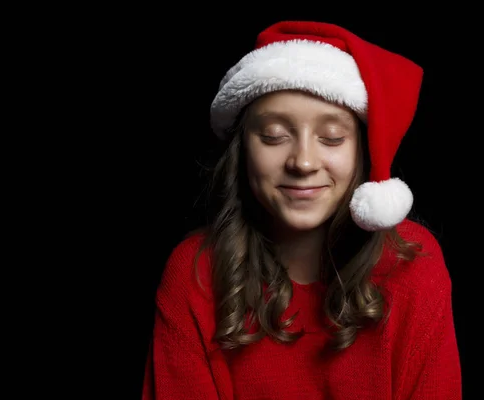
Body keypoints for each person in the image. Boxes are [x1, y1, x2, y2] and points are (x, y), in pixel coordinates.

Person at [142, 20, 462, 399]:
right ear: (243, 148)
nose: (304, 162)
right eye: (274, 136)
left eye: (332, 138)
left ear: (362, 150)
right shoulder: (193, 273)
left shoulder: (414, 264)